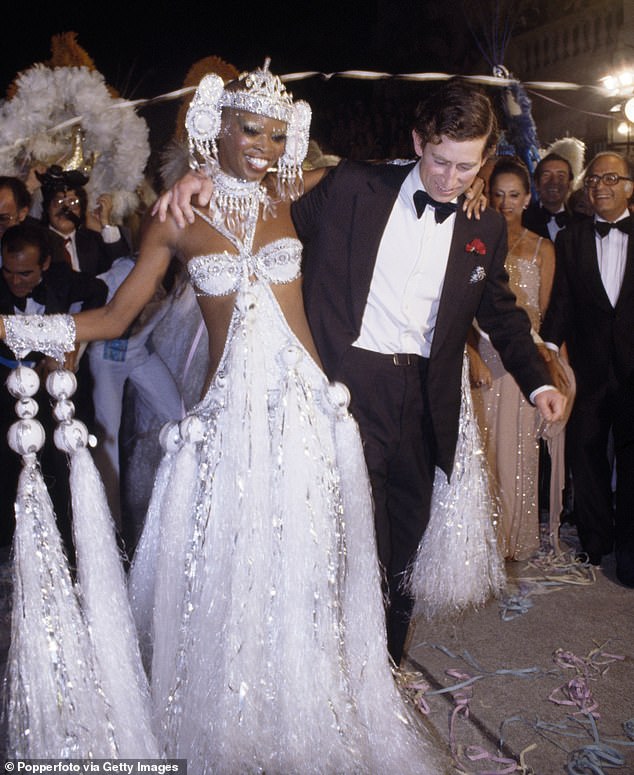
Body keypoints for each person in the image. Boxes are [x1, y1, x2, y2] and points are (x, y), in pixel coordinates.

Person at [1, 61, 447, 773]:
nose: (264, 146)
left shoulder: (299, 195)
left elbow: (386, 178)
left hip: (306, 408)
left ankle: (307, 699)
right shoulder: (176, 216)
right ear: (218, 129)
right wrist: (33, 331)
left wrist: (458, 172)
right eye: (250, 130)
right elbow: (118, 316)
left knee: (304, 559)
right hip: (225, 418)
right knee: (228, 561)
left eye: (276, 134)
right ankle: (236, 707)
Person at [158, 75, 567, 665]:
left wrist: (541, 381)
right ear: (417, 140)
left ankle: (388, 663)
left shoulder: (482, 225)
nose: (450, 181)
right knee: (357, 535)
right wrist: (203, 177)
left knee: (407, 535)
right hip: (345, 387)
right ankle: (345, 663)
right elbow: (265, 195)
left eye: (466, 168)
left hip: (426, 393)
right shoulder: (355, 186)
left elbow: (498, 311)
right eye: (439, 162)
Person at [541, 151, 634, 587]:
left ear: (630, 186)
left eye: (612, 178)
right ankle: (597, 542)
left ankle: (631, 555)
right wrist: (545, 352)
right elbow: (561, 303)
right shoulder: (572, 239)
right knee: (587, 454)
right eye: (594, 179)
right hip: (590, 369)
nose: (601, 186)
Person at [467, 157, 557, 559]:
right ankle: (480, 543)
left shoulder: (543, 247)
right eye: (497, 194)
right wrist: (472, 354)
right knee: (483, 450)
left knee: (518, 453)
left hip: (523, 359)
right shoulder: (475, 240)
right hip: (485, 356)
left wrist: (547, 362)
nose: (505, 203)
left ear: (527, 198)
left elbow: (545, 311)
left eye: (514, 195)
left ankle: (514, 539)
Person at [0, 222, 107, 554]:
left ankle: (65, 547)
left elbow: (99, 294)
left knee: (58, 465)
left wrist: (70, 341)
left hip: (50, 390)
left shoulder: (63, 281)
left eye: (25, 273)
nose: (15, 281)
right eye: (9, 272)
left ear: (45, 264)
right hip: (4, 385)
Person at [37, 165, 130, 275]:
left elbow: (121, 265)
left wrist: (105, 223)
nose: (66, 209)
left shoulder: (92, 241)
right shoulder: (36, 241)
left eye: (73, 203)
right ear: (48, 208)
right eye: (59, 202)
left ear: (82, 210)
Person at [522, 152, 575, 241]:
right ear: (536, 184)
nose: (554, 181)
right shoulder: (522, 221)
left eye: (561, 176)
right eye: (546, 175)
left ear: (569, 184)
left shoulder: (583, 223)